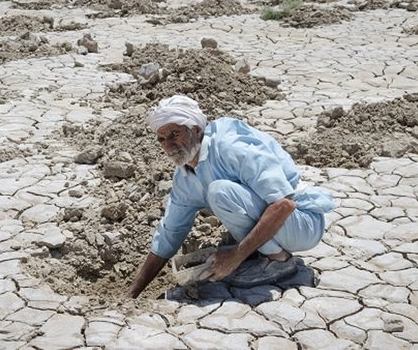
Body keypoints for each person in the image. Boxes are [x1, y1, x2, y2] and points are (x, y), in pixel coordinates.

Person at [125, 95, 335, 298]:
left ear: (196, 130)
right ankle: (259, 253)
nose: (168, 146)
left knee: (220, 192)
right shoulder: (185, 176)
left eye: (174, 134)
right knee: (220, 195)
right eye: (162, 139)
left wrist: (235, 257)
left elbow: (284, 204)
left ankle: (278, 260)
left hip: (302, 223)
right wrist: (132, 293)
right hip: (283, 225)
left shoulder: (229, 147)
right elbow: (170, 232)